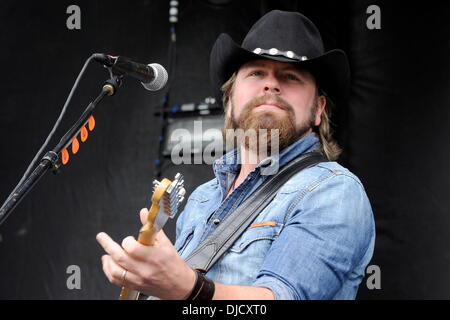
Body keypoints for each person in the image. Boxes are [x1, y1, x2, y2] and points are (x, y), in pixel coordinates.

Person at [96, 10, 375, 300]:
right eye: (256, 73)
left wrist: (190, 289)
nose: (271, 84)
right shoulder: (202, 199)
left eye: (291, 76)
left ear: (318, 109)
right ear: (229, 102)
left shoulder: (334, 191)